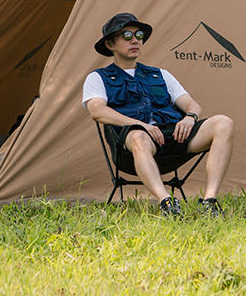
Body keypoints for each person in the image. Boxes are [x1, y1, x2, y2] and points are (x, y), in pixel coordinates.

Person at [83, 12, 235, 216]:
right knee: (138, 136)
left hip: (174, 140)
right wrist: (141, 126)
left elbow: (192, 104)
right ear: (110, 44)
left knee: (223, 123)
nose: (135, 40)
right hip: (132, 149)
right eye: (127, 36)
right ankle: (166, 203)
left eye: (139, 35)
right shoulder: (98, 78)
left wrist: (190, 118)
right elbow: (97, 111)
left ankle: (209, 201)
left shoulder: (160, 74)